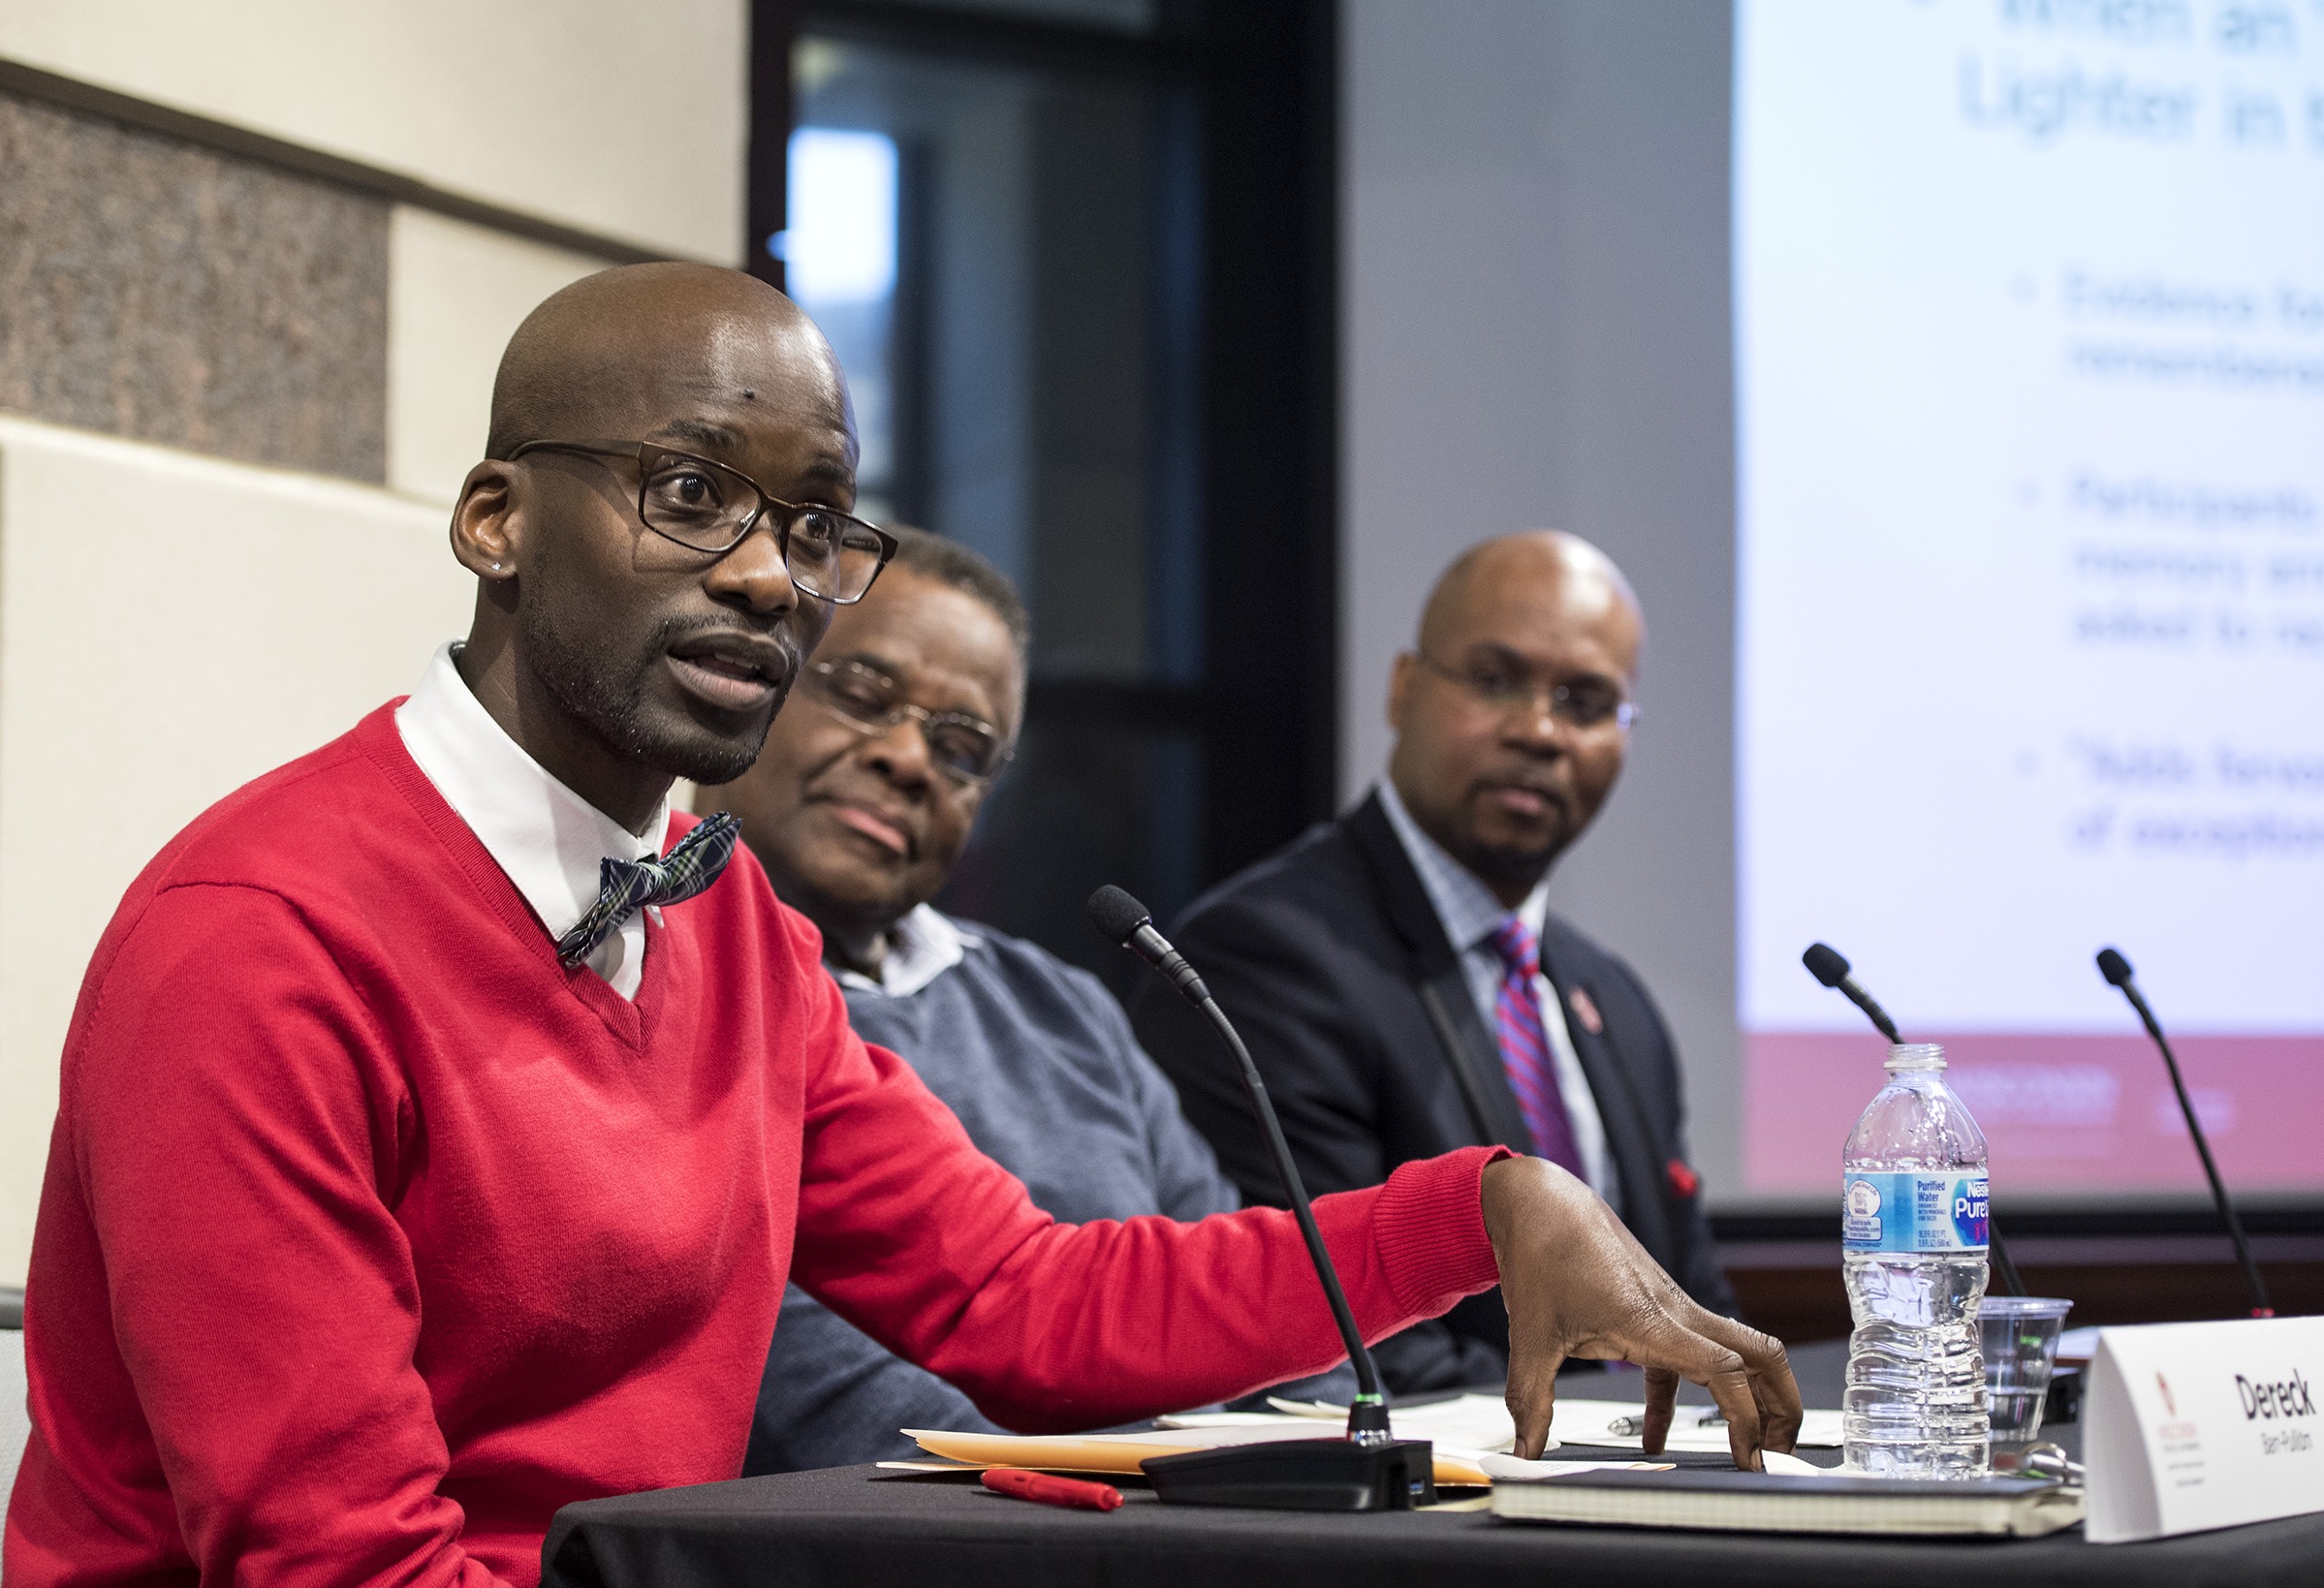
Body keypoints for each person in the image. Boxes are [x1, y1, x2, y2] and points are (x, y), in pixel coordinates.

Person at [6, 268, 1796, 1586]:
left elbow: (1020, 1299)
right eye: (689, 493)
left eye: (809, 522)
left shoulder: (731, 934)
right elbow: (340, 1566)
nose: (774, 575)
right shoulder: (259, 939)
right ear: (494, 519)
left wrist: (1483, 1203)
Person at [699, 525, 1295, 1472]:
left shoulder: (1062, 1007)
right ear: (750, 678)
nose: (907, 758)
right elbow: (835, 1405)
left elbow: (1224, 1312)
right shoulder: (665, 980)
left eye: (963, 746)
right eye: (861, 692)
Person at [1132, 532, 1736, 1395]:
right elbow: (1331, 1327)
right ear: (1404, 689)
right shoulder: (1265, 957)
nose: (1538, 731)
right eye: (1495, 680)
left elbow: (1688, 1302)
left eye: (1586, 701)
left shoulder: (1614, 1000)